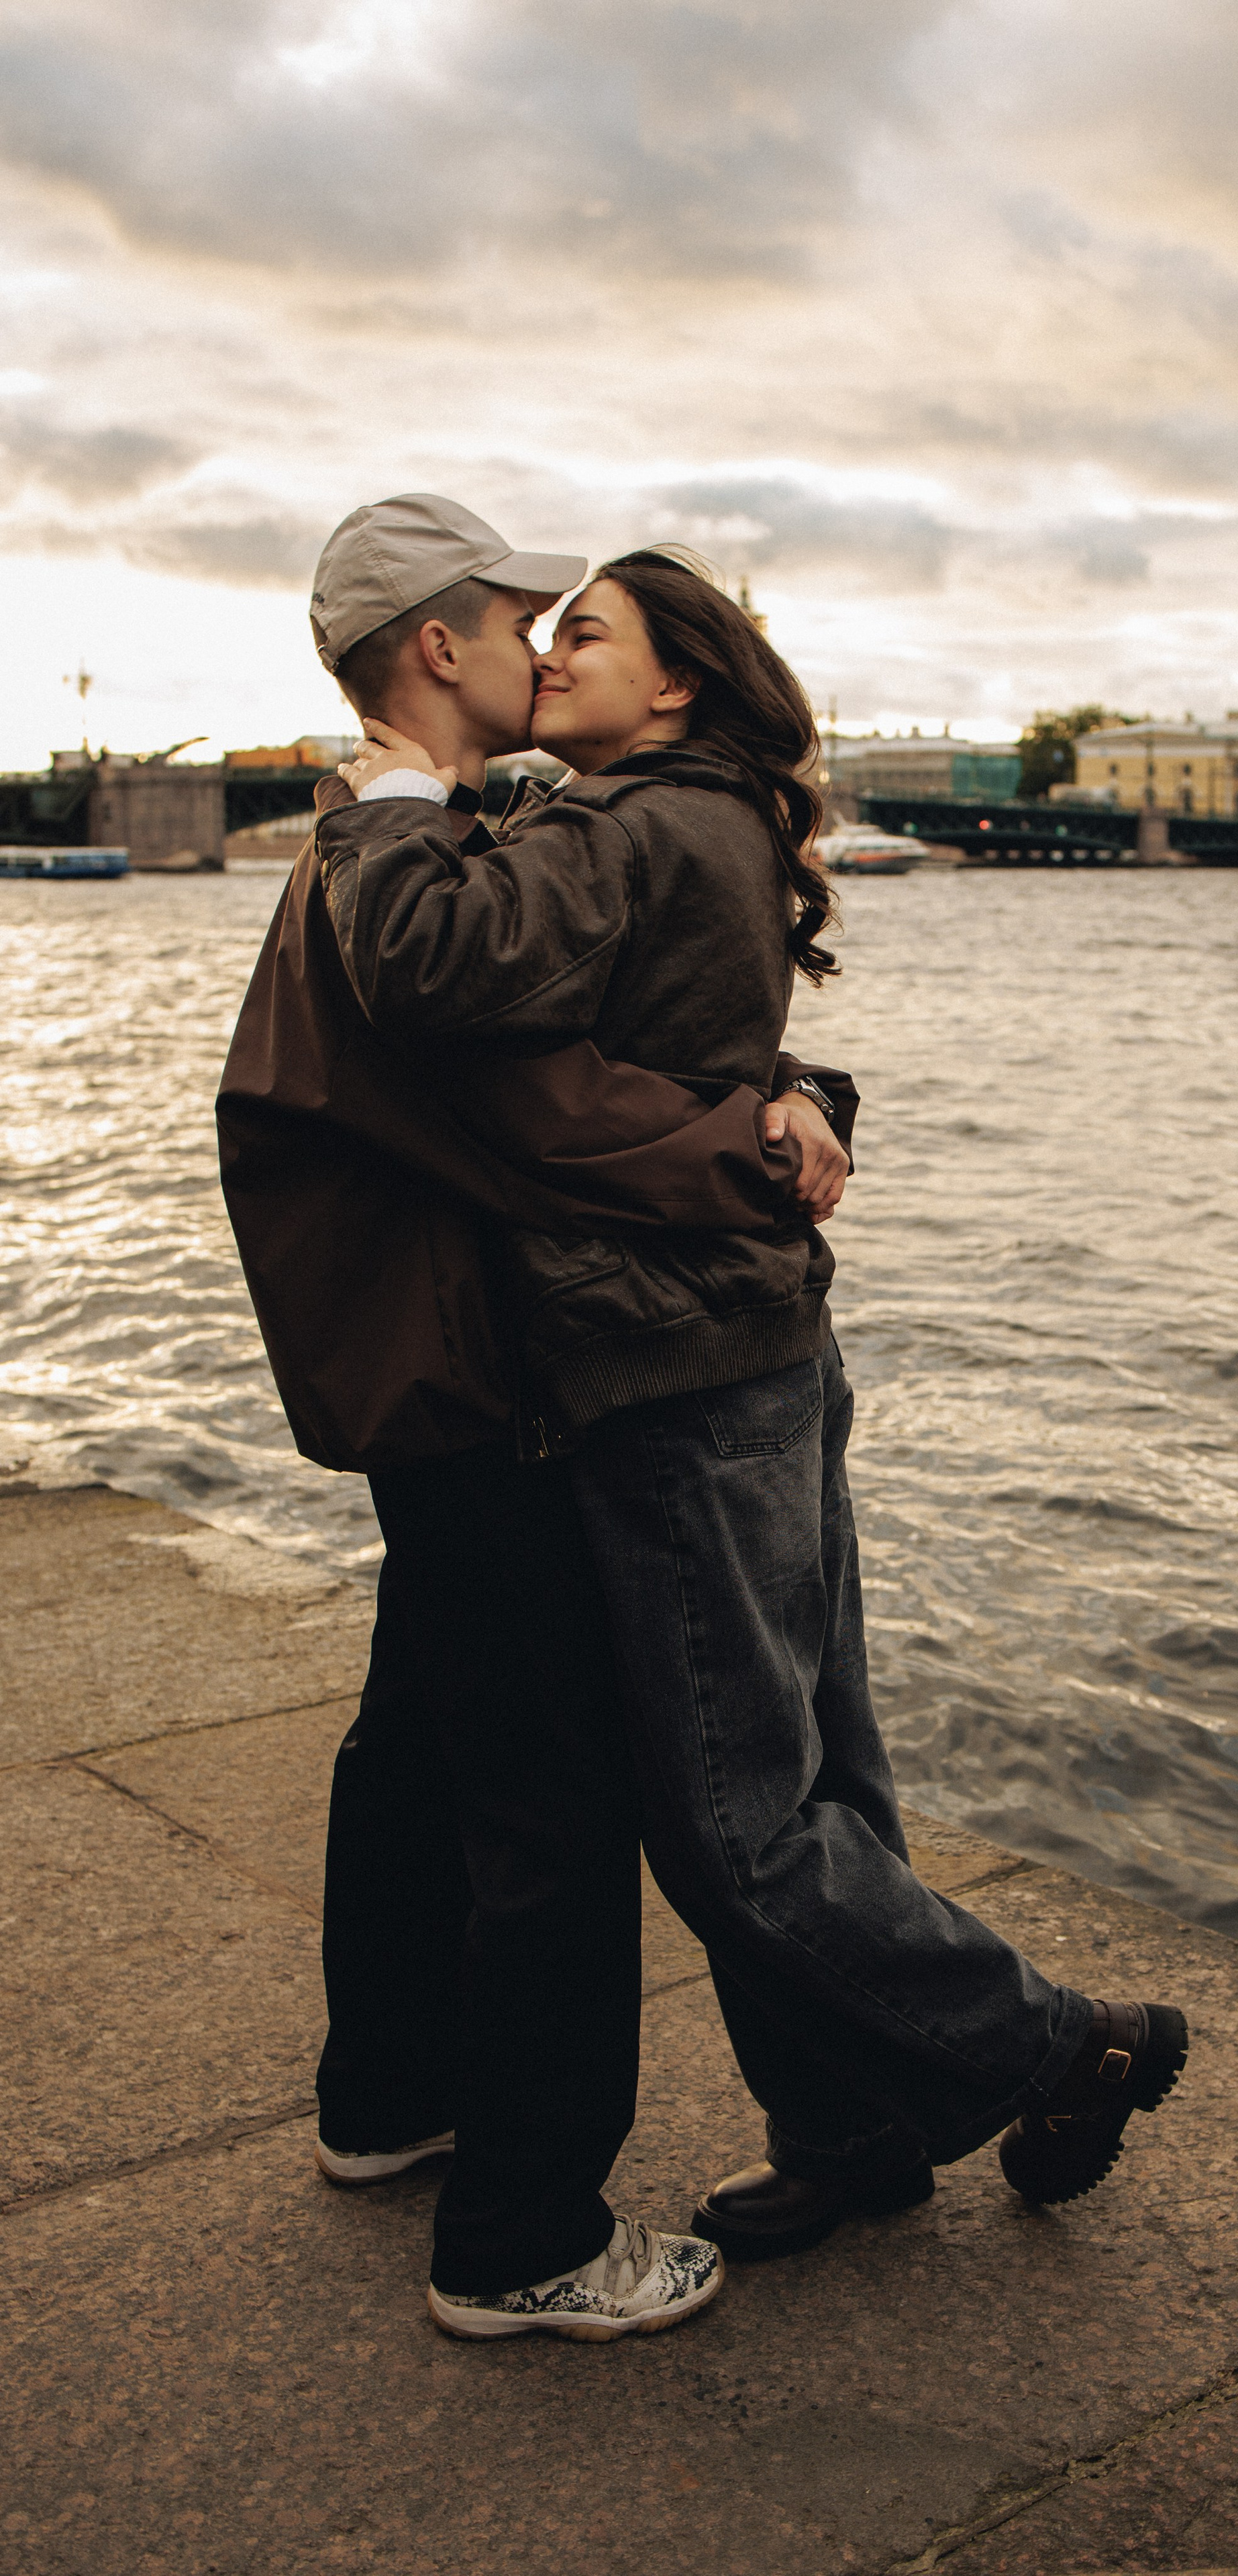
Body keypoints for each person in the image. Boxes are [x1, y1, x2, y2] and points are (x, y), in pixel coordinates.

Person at [317, 545, 1191, 2321]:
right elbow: (657, 1055)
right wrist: (791, 1094)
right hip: (743, 1349)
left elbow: (432, 973)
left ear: (677, 685)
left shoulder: (636, 823)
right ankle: (860, 2126)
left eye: (585, 633)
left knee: (738, 1824)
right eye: (542, 630)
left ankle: (1062, 2046)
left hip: (673, 1375)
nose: (549, 654)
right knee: (817, 1773)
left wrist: (386, 806)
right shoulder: (673, 817)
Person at [221, 494, 856, 2343]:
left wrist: (793, 1077)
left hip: (424, 1356)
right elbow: (549, 1115)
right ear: (443, 644)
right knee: (551, 1802)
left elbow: (598, 1031)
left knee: (417, 1741)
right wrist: (764, 1143)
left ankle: (387, 2098)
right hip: (476, 1370)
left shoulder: (415, 837)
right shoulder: (399, 853)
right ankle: (523, 2237)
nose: (545, 644)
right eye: (524, 620)